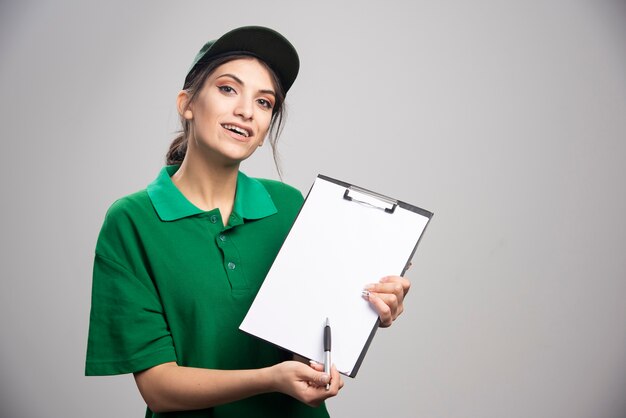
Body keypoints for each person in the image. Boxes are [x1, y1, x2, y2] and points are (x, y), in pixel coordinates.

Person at [85, 26, 411, 417]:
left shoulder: (288, 206)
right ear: (186, 103)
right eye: (227, 89)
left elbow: (309, 343)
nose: (245, 110)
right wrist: (269, 378)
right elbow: (158, 389)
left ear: (263, 132)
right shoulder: (132, 221)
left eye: (264, 102)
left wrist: (368, 310)